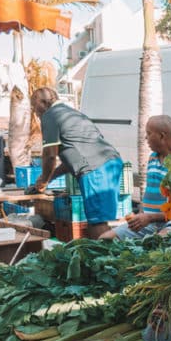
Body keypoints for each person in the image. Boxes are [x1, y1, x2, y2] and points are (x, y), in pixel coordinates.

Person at [29, 87, 123, 239]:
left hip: (95, 168)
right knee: (97, 221)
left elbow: (50, 155)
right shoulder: (70, 113)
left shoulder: (50, 116)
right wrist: (49, 178)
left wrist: (44, 180)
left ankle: (111, 260)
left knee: (97, 224)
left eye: (34, 106)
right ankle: (108, 257)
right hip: (109, 163)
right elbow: (69, 161)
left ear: (43, 102)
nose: (35, 111)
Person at [100, 115, 171, 240]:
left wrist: (149, 218)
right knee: (105, 239)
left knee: (155, 243)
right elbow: (149, 192)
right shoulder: (153, 157)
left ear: (162, 136)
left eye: (149, 133)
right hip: (149, 222)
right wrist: (140, 214)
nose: (146, 138)